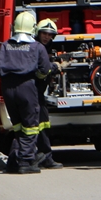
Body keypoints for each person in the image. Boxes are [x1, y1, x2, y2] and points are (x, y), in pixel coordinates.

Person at [0, 11, 52, 174]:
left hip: (7, 89)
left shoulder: (5, 45)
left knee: (18, 126)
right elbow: (45, 69)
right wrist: (37, 79)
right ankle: (25, 162)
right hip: (27, 88)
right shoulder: (37, 47)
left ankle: (14, 160)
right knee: (31, 126)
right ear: (32, 29)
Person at [33, 19, 63, 169]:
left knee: (42, 124)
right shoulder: (36, 47)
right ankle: (42, 158)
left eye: (50, 35)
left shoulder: (44, 47)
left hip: (38, 93)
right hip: (33, 93)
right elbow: (41, 70)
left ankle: (44, 156)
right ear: (38, 33)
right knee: (35, 126)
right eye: (44, 33)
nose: (47, 37)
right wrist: (55, 67)